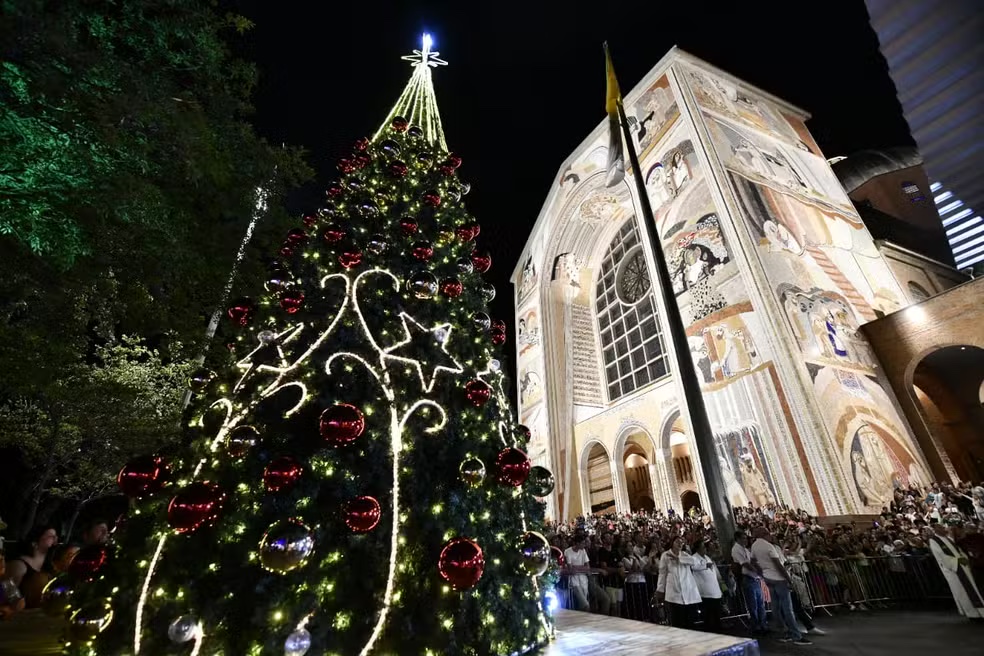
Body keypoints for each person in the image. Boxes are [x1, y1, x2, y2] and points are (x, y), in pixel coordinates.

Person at [751, 526, 811, 645]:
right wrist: (788, 579)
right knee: (787, 608)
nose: (770, 536)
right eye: (768, 533)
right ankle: (796, 635)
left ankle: (785, 632)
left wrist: (761, 572)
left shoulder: (754, 546)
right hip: (778, 578)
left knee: (776, 607)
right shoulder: (769, 546)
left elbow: (752, 561)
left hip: (768, 578)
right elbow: (778, 565)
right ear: (765, 534)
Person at [928, 521, 984, 619]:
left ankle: (980, 611)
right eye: (940, 527)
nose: (943, 528)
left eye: (942, 527)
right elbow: (941, 556)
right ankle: (972, 613)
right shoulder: (934, 541)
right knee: (963, 591)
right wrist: (957, 561)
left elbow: (959, 550)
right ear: (935, 530)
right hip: (954, 570)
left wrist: (964, 557)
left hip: (962, 567)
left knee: (972, 588)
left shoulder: (948, 539)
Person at [6, 525, 57, 609]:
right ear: (34, 543)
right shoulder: (19, 565)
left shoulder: (49, 567)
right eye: (50, 536)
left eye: (55, 536)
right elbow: (5, 594)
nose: (55, 539)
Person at [656, 536, 701, 629]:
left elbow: (695, 562)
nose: (680, 544)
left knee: (690, 622)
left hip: (688, 592)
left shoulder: (684, 554)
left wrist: (679, 559)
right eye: (677, 542)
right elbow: (662, 573)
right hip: (673, 592)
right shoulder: (665, 555)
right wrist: (660, 589)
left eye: (682, 542)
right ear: (672, 542)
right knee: (677, 621)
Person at [563, 533, 611, 615]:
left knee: (585, 603)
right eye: (582, 543)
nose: (584, 545)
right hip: (574, 581)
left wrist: (577, 567)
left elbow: (587, 567)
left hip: (584, 579)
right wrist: (580, 567)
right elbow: (570, 568)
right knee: (585, 605)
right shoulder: (568, 551)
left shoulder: (583, 551)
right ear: (577, 543)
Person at [731, 529, 768, 635]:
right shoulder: (736, 549)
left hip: (755, 578)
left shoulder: (745, 549)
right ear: (737, 539)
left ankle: (763, 624)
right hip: (748, 578)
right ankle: (756, 626)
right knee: (753, 604)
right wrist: (756, 570)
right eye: (743, 538)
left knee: (760, 603)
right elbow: (745, 564)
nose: (745, 540)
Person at [691, 539, 723, 633]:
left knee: (717, 612)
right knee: (708, 614)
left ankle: (718, 629)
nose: (705, 548)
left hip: (714, 589)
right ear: (698, 548)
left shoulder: (707, 557)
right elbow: (694, 567)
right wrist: (705, 565)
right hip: (705, 591)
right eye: (703, 547)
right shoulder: (694, 558)